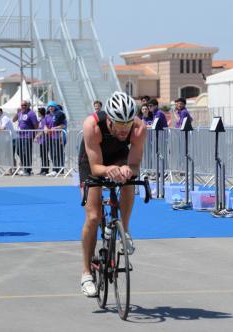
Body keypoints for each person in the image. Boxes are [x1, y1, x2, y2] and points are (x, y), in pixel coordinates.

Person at [78, 91, 147, 297]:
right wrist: (108, 170)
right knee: (93, 216)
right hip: (93, 161)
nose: (124, 130)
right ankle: (86, 274)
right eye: (119, 125)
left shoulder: (139, 129)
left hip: (119, 157)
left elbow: (134, 164)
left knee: (128, 181)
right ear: (109, 119)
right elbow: (96, 166)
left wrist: (128, 170)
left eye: (127, 125)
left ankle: (124, 230)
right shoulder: (92, 125)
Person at [13, 100, 38, 176]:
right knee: (19, 151)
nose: (23, 106)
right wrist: (17, 112)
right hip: (19, 136)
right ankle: (24, 166)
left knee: (27, 152)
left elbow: (36, 125)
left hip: (28, 136)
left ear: (28, 105)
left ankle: (28, 170)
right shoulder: (20, 113)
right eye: (22, 105)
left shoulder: (31, 114)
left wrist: (34, 135)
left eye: (25, 105)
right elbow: (13, 120)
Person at [0, 107, 17, 175]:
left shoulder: (4, 118)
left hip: (11, 139)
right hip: (7, 140)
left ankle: (12, 169)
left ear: (2, 112)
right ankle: (13, 169)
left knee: (10, 155)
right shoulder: (0, 119)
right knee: (9, 155)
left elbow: (2, 128)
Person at [45, 101, 67, 177]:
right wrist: (45, 128)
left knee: (58, 153)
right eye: (49, 106)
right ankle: (55, 169)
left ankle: (58, 169)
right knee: (52, 153)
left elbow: (63, 125)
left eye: (52, 106)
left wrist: (55, 128)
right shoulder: (47, 115)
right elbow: (45, 124)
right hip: (50, 137)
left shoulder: (60, 114)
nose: (50, 108)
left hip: (58, 137)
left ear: (55, 107)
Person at [35, 107, 51, 175]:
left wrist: (38, 135)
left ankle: (46, 170)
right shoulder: (41, 120)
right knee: (42, 155)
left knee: (44, 155)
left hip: (45, 140)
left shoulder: (44, 119)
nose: (37, 113)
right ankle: (42, 169)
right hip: (41, 140)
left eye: (38, 112)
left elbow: (43, 130)